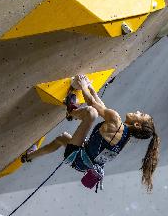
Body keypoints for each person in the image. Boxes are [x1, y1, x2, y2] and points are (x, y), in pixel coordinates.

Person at [22, 75, 160, 191]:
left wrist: (83, 85)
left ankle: (71, 112)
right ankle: (29, 156)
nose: (137, 111)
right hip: (83, 165)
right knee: (62, 138)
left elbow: (92, 104)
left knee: (91, 113)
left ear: (137, 124)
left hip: (77, 155)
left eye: (140, 114)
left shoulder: (116, 120)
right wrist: (91, 89)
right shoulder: (126, 137)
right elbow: (102, 107)